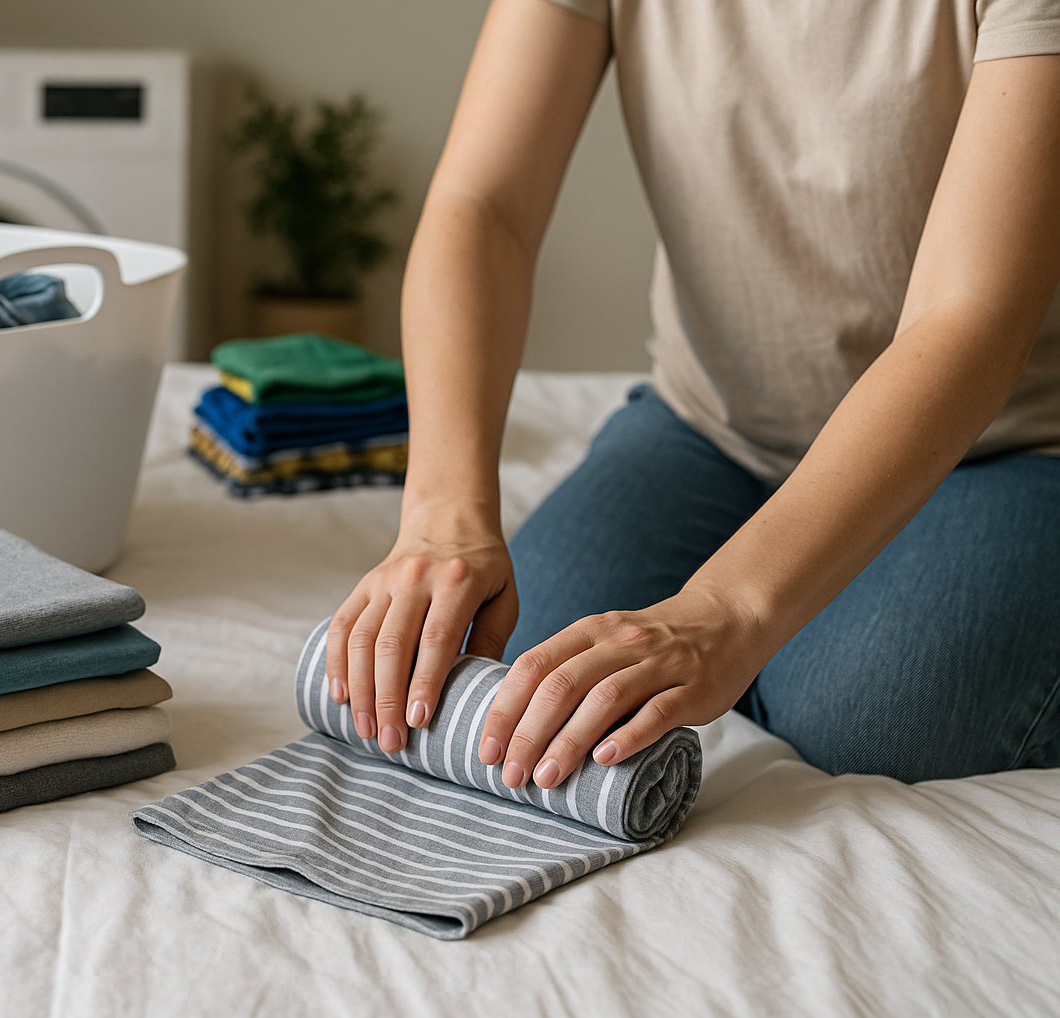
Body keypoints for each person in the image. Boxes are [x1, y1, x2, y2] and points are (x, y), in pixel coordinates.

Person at [325, 0, 1060, 785]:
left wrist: (731, 611)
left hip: (1003, 446)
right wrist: (444, 516)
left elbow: (969, 314)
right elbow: (486, 206)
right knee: (522, 663)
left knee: (865, 719)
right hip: (713, 429)